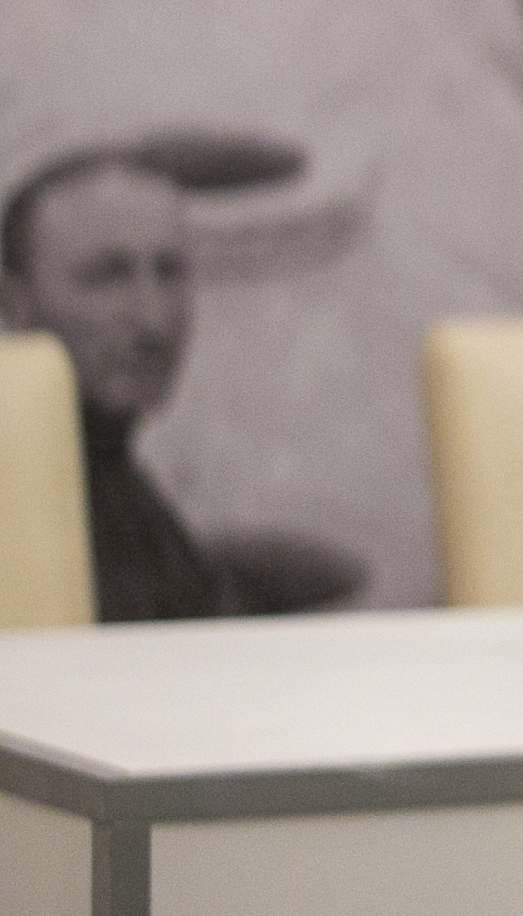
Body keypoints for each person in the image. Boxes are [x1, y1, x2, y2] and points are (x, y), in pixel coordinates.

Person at [0, 140, 362, 620]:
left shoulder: (106, 469)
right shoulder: (27, 501)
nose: (153, 320)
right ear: (15, 302)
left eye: (169, 273)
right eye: (107, 277)